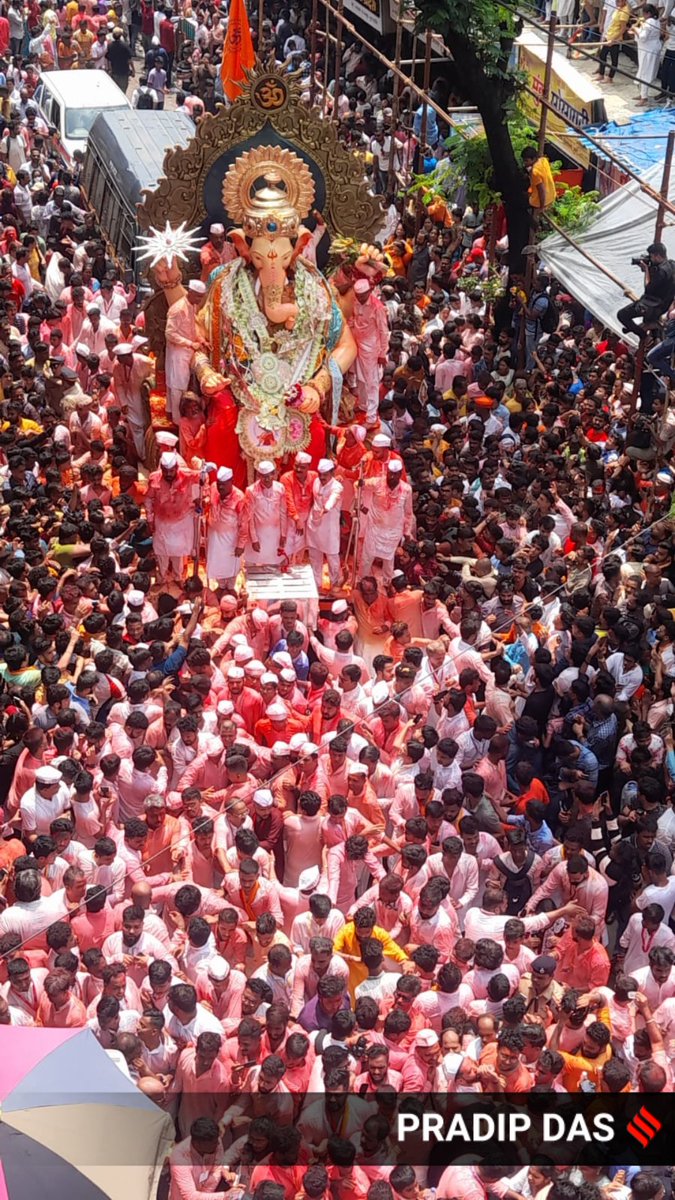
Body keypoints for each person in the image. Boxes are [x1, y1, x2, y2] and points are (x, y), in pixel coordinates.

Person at [617, 242, 675, 337]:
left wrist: (646, 270)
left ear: (657, 255)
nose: (650, 259)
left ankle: (642, 335)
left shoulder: (661, 271)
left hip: (652, 307)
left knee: (622, 315)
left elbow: (648, 288)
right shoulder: (672, 264)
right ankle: (644, 328)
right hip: (664, 306)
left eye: (651, 257)